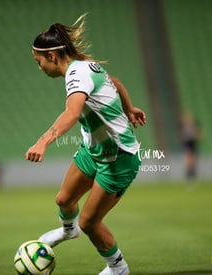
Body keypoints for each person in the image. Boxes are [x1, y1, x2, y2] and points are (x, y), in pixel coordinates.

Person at [25, 14, 146, 275]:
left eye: (39, 62)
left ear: (52, 57)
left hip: (120, 158)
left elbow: (71, 113)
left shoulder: (76, 75)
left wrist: (42, 141)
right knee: (64, 199)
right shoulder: (84, 66)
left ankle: (118, 269)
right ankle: (69, 231)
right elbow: (116, 82)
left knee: (90, 222)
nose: (39, 67)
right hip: (94, 151)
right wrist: (130, 108)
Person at [179, 111, 201, 179]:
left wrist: (195, 136)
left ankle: (192, 174)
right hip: (186, 144)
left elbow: (198, 134)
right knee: (188, 160)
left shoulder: (194, 126)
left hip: (192, 144)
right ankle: (189, 174)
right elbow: (180, 136)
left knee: (192, 160)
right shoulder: (183, 127)